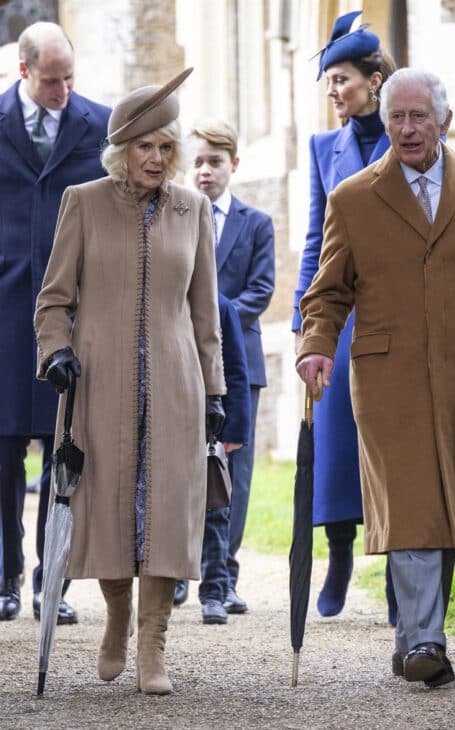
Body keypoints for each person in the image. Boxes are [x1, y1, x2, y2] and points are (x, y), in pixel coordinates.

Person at [296, 67, 455, 688]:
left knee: (449, 501)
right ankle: (428, 637)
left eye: (418, 117)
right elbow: (326, 292)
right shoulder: (353, 196)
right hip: (387, 375)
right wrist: (315, 347)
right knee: (411, 500)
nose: (405, 128)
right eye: (397, 116)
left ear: (444, 122)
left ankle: (412, 639)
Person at [34, 68, 226, 695]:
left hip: (175, 385)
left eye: (166, 146)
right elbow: (53, 300)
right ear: (121, 151)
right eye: (144, 146)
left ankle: (155, 645)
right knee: (111, 507)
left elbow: (206, 312)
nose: (157, 157)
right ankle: (117, 615)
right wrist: (56, 351)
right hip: (100, 382)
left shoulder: (192, 208)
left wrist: (216, 391)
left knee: (168, 511)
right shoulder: (83, 202)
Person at [0, 22, 110, 623]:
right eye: (50, 80)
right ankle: (3, 578)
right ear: (23, 72)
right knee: (2, 452)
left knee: (63, 451)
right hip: (3, 309)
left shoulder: (101, 123)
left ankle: (54, 583)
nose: (64, 90)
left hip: (71, 312)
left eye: (70, 78)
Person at [292, 10, 398, 621]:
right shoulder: (321, 148)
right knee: (332, 442)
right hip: (337, 316)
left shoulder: (407, 138)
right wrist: (309, 324)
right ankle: (337, 557)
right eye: (328, 81)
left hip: (393, 316)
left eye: (342, 79)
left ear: (374, 80)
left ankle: (394, 572)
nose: (334, 91)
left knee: (386, 443)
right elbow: (315, 238)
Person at [188, 120, 275, 614]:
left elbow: (261, 292)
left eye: (215, 162)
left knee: (233, 474)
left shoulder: (256, 223)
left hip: (241, 360)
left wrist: (211, 323)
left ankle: (227, 573)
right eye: (198, 161)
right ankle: (187, 570)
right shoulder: (174, 218)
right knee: (186, 468)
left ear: (233, 166)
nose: (205, 171)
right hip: (184, 360)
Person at [174, 293, 251, 624]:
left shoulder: (220, 305)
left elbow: (235, 370)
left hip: (211, 429)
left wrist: (234, 430)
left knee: (216, 512)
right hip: (169, 423)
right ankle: (172, 581)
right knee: (170, 512)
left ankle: (215, 591)